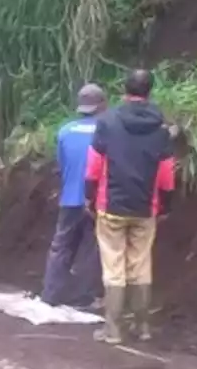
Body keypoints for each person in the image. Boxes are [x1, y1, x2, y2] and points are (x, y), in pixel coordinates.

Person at [85, 69, 176, 345]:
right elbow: (167, 174)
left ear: (125, 91)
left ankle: (113, 329)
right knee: (140, 264)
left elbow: (93, 167)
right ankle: (143, 327)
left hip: (111, 204)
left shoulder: (108, 122)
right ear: (149, 92)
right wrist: (165, 206)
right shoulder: (161, 128)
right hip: (145, 207)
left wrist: (89, 198)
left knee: (114, 265)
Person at [40, 83, 106, 310]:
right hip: (95, 200)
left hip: (69, 198)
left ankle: (51, 293)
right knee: (90, 247)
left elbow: (61, 164)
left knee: (61, 246)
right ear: (102, 104)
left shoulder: (65, 131)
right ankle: (83, 297)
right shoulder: (106, 130)